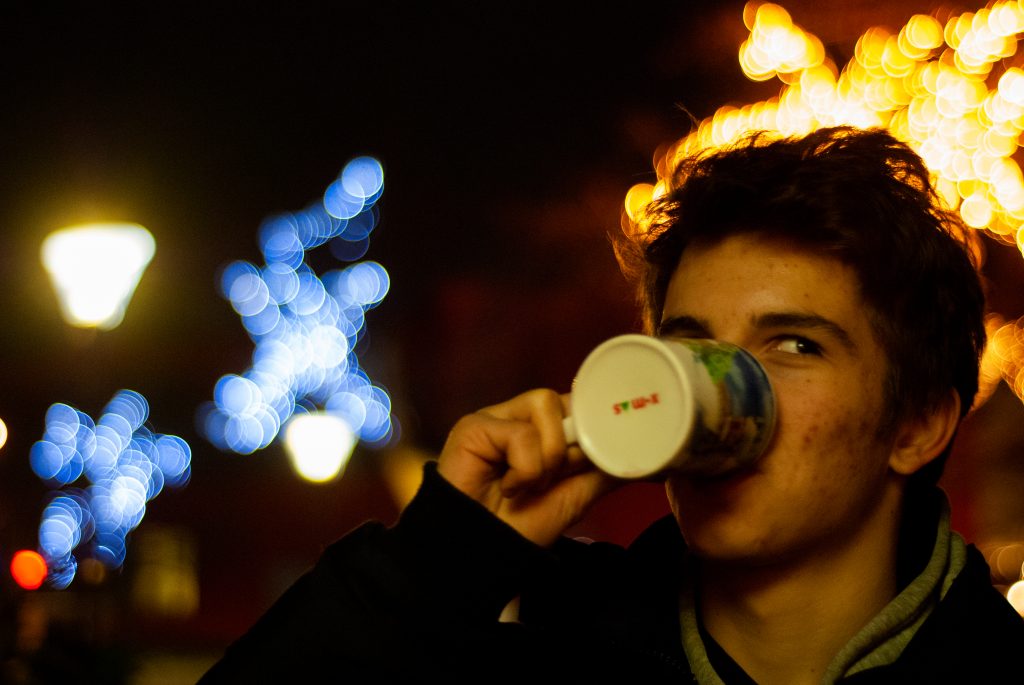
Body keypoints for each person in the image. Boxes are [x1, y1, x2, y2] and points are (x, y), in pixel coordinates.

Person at [199, 127, 1024, 683]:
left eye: (794, 344)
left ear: (918, 424)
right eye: (692, 345)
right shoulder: (552, 650)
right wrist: (439, 559)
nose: (722, 383)